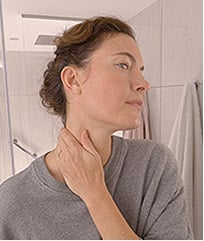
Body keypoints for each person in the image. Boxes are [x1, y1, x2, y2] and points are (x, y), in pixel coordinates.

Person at [0, 16, 193, 240]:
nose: (144, 83)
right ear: (72, 80)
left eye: (140, 69)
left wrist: (95, 194)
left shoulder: (154, 165)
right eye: (123, 65)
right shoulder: (11, 203)